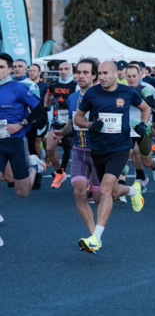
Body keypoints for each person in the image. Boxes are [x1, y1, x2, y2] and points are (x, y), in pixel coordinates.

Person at [73, 60, 149, 253]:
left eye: (106, 73)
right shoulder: (92, 93)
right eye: (99, 73)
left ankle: (95, 238)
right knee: (113, 193)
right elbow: (78, 118)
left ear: (116, 74)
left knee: (105, 189)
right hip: (98, 149)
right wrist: (90, 125)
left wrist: (143, 124)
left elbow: (146, 108)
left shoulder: (128, 92)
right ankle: (134, 191)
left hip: (120, 148)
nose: (102, 77)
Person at [49, 58, 103, 237]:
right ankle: (93, 235)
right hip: (79, 150)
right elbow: (72, 123)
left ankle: (132, 190)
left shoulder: (102, 97)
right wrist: (62, 132)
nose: (81, 76)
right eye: (78, 72)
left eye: (85, 72)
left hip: (99, 152)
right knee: (79, 191)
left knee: (98, 198)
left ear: (94, 75)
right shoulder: (72, 98)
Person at [0, 53, 46, 247]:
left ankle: (34, 167)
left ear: (10, 70)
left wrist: (21, 123)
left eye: (1, 67)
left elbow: (39, 109)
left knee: (22, 192)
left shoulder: (19, 88)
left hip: (16, 142)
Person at [125, 66, 155, 190]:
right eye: (129, 76)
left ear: (139, 76)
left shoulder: (145, 88)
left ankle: (154, 164)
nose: (131, 79)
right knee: (133, 152)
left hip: (143, 126)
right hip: (127, 127)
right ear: (125, 77)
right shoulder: (122, 89)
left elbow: (151, 103)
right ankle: (140, 178)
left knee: (146, 161)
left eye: (134, 76)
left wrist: (135, 100)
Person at [44, 61, 77, 188]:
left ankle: (87, 181)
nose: (63, 71)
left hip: (71, 123)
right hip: (57, 122)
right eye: (61, 69)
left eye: (66, 69)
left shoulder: (75, 85)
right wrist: (46, 107)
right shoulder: (54, 84)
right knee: (49, 148)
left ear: (71, 70)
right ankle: (60, 172)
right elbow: (48, 95)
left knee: (79, 152)